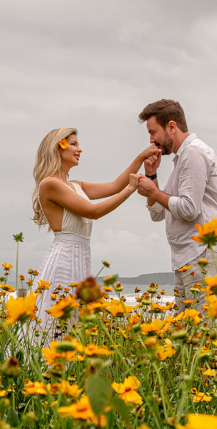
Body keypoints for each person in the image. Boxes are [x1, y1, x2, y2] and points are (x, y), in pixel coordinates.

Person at [30, 127, 156, 336]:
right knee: (55, 326)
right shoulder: (50, 184)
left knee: (73, 327)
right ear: (58, 147)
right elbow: (93, 211)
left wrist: (141, 157)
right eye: (74, 144)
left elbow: (115, 185)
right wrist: (130, 191)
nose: (80, 149)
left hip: (80, 260)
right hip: (63, 262)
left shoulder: (75, 185)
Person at [135, 100, 217, 304]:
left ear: (171, 127)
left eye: (153, 132)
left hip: (204, 255)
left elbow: (188, 209)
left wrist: (153, 191)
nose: (151, 141)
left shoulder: (194, 153)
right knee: (187, 333)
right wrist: (151, 175)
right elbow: (157, 213)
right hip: (187, 258)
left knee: (205, 332)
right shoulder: (181, 159)